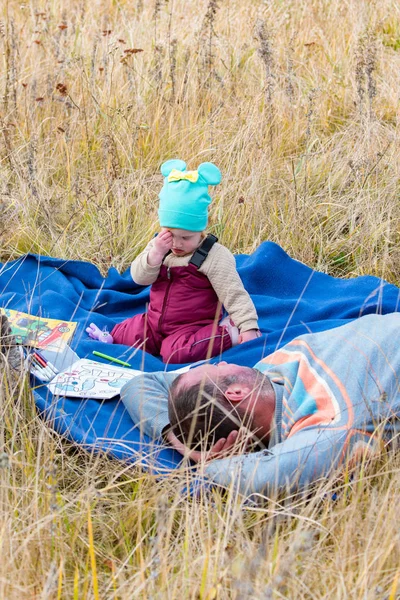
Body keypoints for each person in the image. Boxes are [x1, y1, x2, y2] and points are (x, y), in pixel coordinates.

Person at [120, 313, 400, 497]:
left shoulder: (266, 378)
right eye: (217, 367)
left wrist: (179, 442)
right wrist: (208, 464)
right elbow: (259, 476)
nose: (224, 361)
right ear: (236, 392)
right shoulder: (330, 423)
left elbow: (139, 383)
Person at [87, 159, 260, 363]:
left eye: (185, 237)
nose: (176, 243)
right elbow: (139, 278)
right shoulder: (160, 245)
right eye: (170, 234)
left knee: (176, 354)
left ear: (200, 231)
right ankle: (116, 338)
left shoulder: (213, 255)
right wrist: (155, 255)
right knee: (126, 334)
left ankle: (226, 332)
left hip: (192, 326)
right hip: (154, 322)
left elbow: (233, 292)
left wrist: (248, 326)